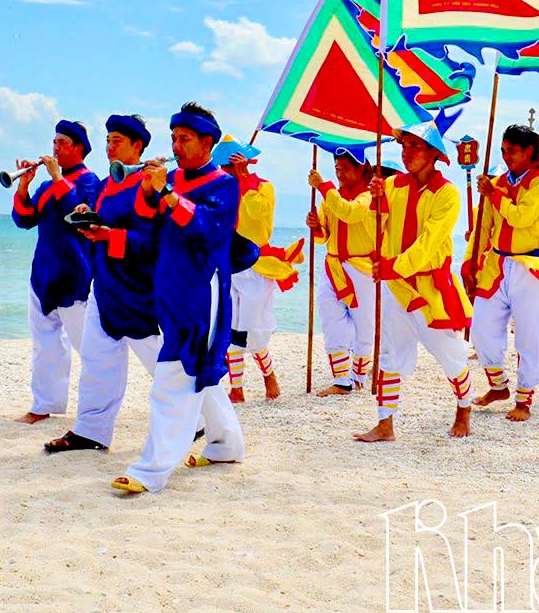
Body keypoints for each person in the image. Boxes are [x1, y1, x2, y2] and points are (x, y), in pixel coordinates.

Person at [112, 103, 245, 494]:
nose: (176, 146)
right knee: (200, 371)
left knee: (173, 374)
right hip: (169, 289)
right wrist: (148, 190)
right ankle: (226, 445)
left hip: (202, 291)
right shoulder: (173, 182)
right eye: (173, 138)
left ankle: (151, 469)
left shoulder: (223, 184)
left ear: (207, 143)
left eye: (184, 139)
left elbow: (207, 228)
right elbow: (147, 229)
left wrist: (167, 192)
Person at [45, 115, 163, 453]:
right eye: (108, 139)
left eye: (118, 141)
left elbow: (150, 239)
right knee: (98, 358)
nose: (110, 146)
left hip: (135, 285)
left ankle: (198, 419)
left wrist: (108, 235)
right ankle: (91, 430)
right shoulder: (110, 182)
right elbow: (105, 218)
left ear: (138, 146)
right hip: (104, 280)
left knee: (159, 356)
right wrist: (88, 211)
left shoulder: (146, 181)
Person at [355, 124, 475, 442]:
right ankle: (385, 424)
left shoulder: (447, 193)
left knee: (449, 354)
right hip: (396, 286)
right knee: (390, 354)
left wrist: (393, 266)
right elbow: (376, 230)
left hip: (429, 285)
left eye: (415, 147)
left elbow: (429, 243)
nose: (406, 153)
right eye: (404, 147)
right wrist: (376, 203)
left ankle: (464, 410)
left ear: (434, 154)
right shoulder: (393, 185)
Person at [465, 124, 539, 422]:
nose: (507, 157)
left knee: (530, 332)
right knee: (481, 328)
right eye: (504, 151)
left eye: (513, 151)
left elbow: (522, 218)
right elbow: (484, 226)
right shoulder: (497, 184)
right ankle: (498, 385)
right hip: (497, 263)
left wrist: (493, 195)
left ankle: (524, 397)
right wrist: (470, 260)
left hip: (530, 264)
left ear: (529, 152)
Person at [12, 120, 102, 423]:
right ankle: (44, 404)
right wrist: (24, 186)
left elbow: (80, 216)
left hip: (75, 274)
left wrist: (56, 175)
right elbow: (24, 220)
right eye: (54, 141)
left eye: (62, 142)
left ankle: (96, 409)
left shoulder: (91, 182)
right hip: (43, 272)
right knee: (44, 344)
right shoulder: (46, 185)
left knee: (88, 346)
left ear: (79, 148)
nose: (55, 147)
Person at [220, 138, 302, 402]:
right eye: (223, 166)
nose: (224, 171)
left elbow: (259, 213)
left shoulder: (264, 187)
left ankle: (268, 374)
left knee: (252, 328)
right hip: (228, 263)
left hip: (257, 263)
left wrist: (243, 179)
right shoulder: (221, 188)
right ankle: (237, 388)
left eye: (228, 166)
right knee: (231, 327)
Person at [307, 149, 377, 396]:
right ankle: (341, 379)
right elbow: (325, 236)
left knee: (364, 324)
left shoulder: (369, 196)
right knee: (330, 316)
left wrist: (323, 186)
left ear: (361, 169)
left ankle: (358, 376)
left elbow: (350, 213)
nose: (340, 173)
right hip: (334, 265)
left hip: (363, 269)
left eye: (345, 167)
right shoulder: (331, 197)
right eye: (337, 168)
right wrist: (316, 227)